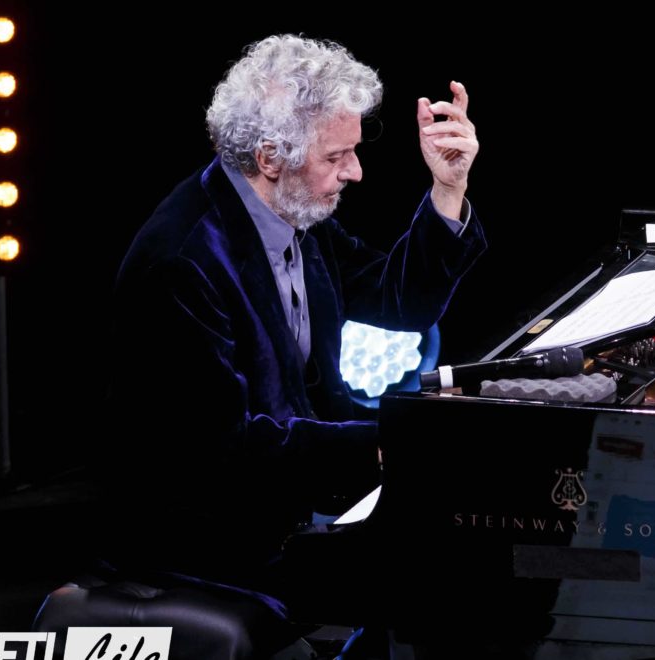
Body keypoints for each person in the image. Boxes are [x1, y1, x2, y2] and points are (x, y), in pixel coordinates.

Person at [100, 34, 485, 593]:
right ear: (269, 157)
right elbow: (224, 448)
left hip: (289, 510)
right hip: (208, 546)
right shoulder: (182, 262)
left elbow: (398, 301)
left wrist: (448, 189)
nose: (355, 172)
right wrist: (387, 442)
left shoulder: (296, 213)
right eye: (336, 156)